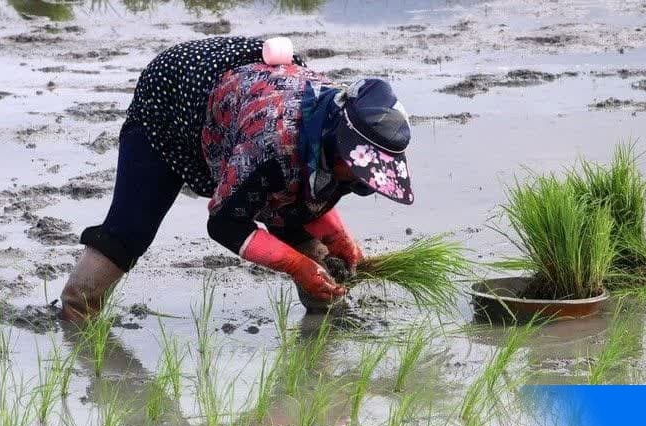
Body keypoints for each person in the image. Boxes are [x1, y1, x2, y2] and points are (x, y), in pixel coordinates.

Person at [60, 36, 415, 322]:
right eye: (358, 171)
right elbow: (226, 224)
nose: (360, 181)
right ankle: (77, 310)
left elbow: (312, 188)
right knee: (131, 228)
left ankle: (324, 327)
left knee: (300, 224)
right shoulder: (272, 145)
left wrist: (338, 237)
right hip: (174, 100)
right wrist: (295, 264)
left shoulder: (342, 124)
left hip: (244, 101)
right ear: (339, 148)